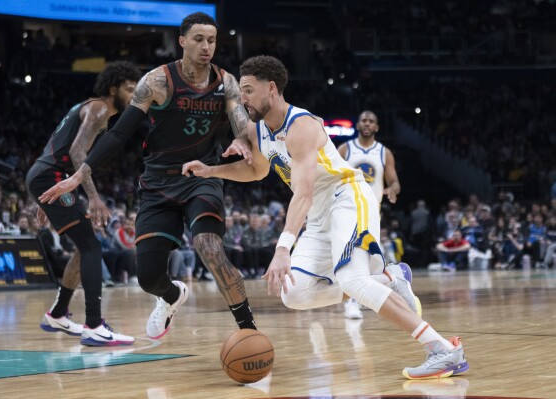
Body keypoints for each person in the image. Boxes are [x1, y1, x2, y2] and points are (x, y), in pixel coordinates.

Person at [182, 55, 468, 380]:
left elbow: (301, 193)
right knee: (293, 293)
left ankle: (443, 350)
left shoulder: (301, 126)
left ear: (271, 89)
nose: (243, 98)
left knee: (353, 281)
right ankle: (389, 279)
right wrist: (212, 171)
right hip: (319, 213)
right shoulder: (258, 130)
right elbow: (256, 170)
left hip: (347, 197)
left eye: (248, 90)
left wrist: (282, 249)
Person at [39, 12, 258, 340]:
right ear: (182, 41)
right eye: (199, 39)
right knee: (148, 278)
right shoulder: (156, 82)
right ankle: (171, 297)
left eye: (211, 40)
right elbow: (117, 135)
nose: (206, 46)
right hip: (158, 183)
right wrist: (78, 176)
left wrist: (243, 137)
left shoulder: (226, 82)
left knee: (208, 245)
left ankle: (249, 331)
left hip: (202, 176)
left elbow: (241, 120)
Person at [26, 61, 142, 346]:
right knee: (92, 246)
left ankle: (58, 313)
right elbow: (77, 153)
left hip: (49, 176)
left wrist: (50, 195)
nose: (134, 96)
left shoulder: (89, 107)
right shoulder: (100, 109)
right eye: (130, 90)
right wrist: (92, 197)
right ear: (113, 88)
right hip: (51, 176)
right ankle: (93, 325)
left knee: (84, 246)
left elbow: (59, 148)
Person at [337, 110, 401, 319]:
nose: (367, 124)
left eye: (371, 121)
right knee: (353, 260)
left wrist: (392, 190)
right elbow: (330, 176)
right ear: (358, 125)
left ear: (377, 127)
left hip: (373, 213)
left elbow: (394, 181)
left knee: (372, 263)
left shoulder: (384, 153)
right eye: (363, 120)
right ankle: (353, 301)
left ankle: (363, 294)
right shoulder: (345, 149)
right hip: (347, 210)